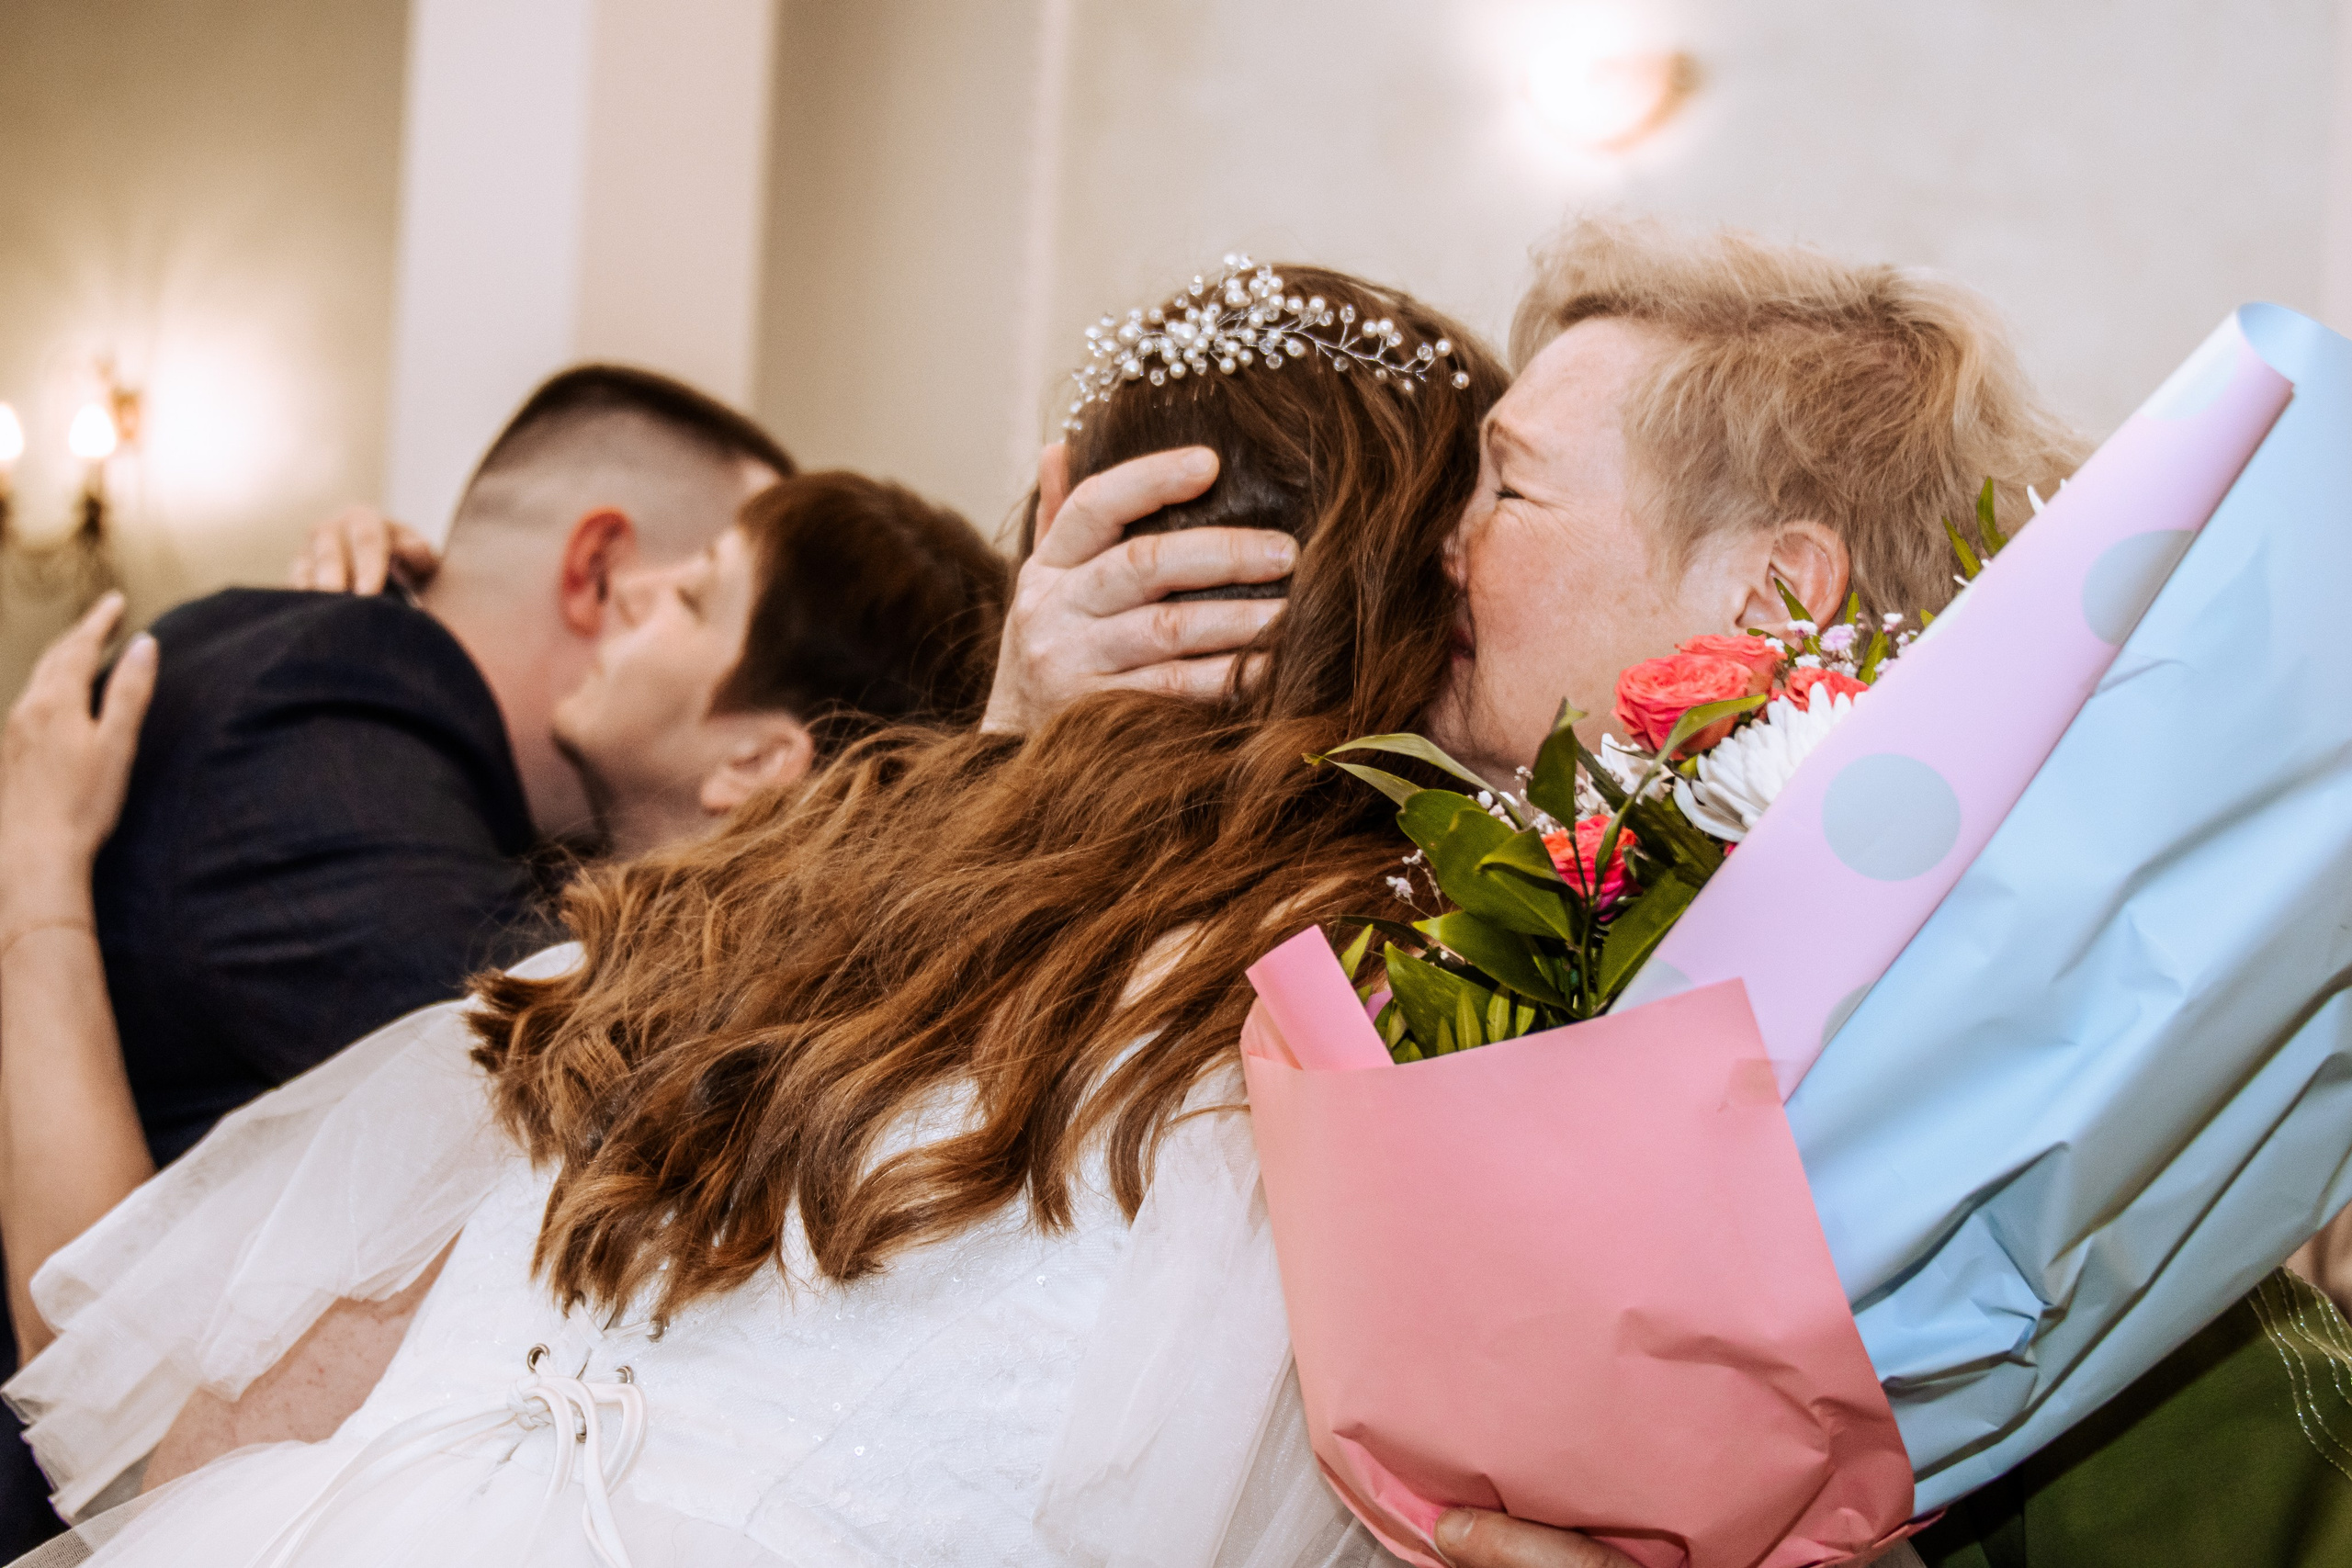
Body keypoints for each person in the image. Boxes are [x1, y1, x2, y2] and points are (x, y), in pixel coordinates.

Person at [0, 468, 1006, 1531]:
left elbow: (116, 1393)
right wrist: (423, 618)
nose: (634, 590)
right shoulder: (548, 914)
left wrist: (33, 877)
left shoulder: (566, 1023)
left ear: (758, 757)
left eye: (697, 596)